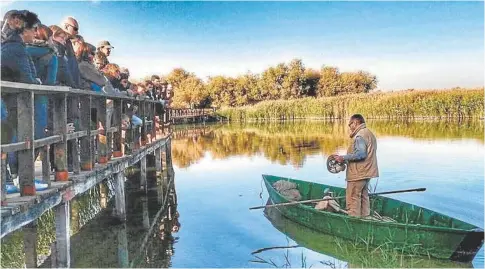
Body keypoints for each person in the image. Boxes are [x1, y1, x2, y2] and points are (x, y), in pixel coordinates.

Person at [333, 114, 379, 217]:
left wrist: (342, 158)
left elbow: (361, 154)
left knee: (353, 199)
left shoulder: (360, 136)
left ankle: (354, 223)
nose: (349, 127)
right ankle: (365, 219)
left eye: (350, 124)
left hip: (358, 174)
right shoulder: (369, 133)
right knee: (364, 197)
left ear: (355, 123)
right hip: (367, 172)